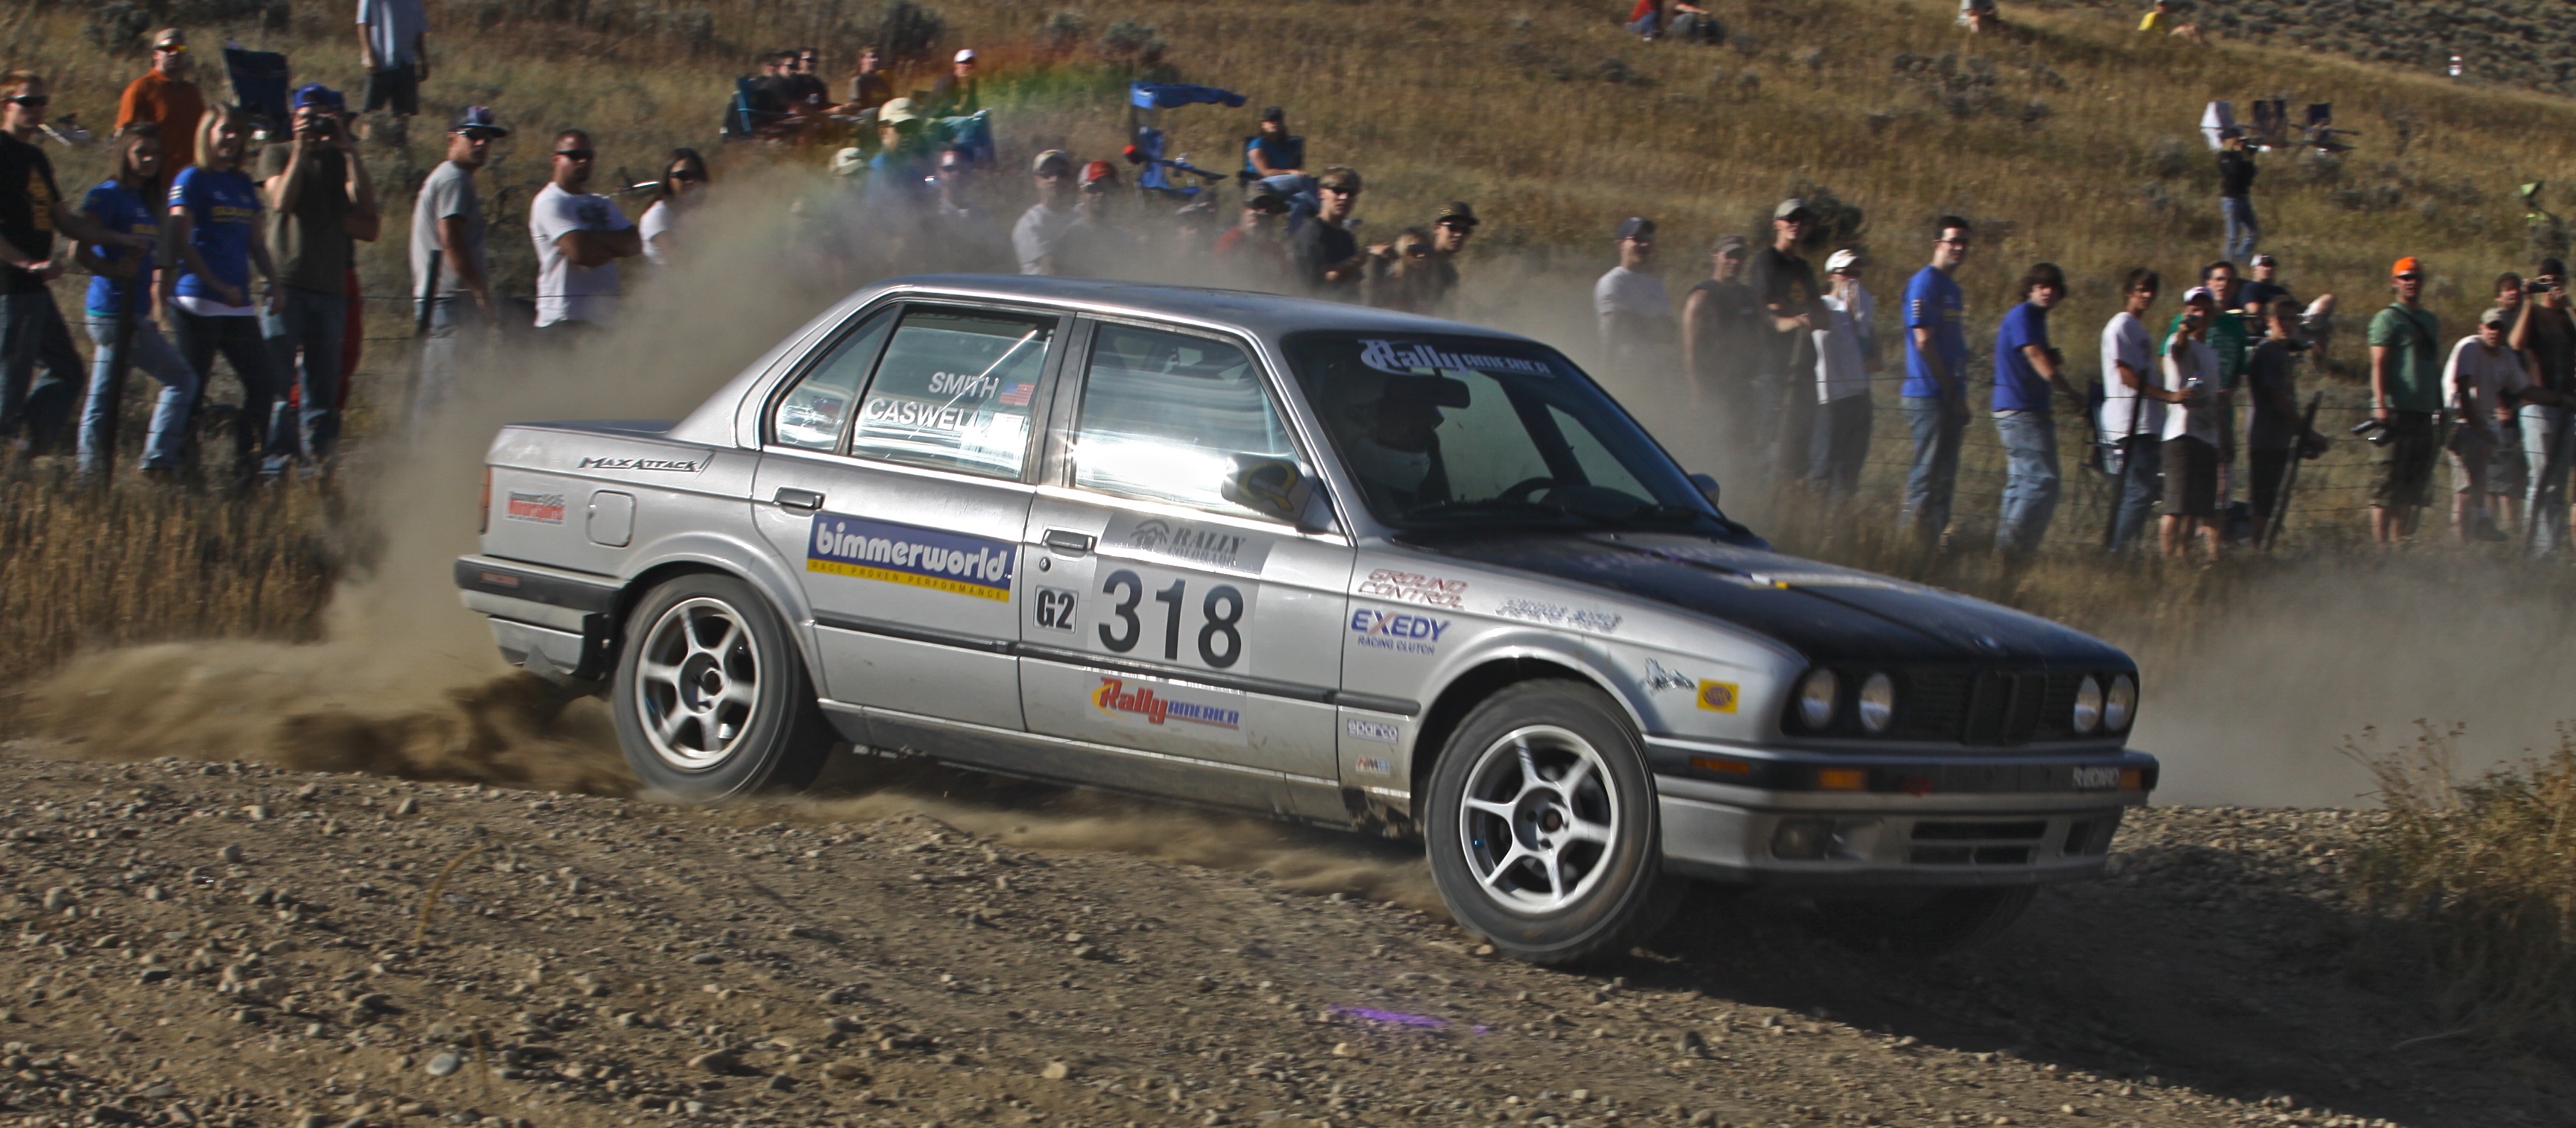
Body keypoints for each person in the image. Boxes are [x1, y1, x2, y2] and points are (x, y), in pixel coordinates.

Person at [3, 72, 145, 454]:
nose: (37, 110)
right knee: (10, 381)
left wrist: (118, 238)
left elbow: (66, 221)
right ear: (5, 106)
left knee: (66, 370)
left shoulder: (36, 157)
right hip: (10, 287)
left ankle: (22, 449)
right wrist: (26, 264)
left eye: (42, 103)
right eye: (27, 102)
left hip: (34, 289)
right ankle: (9, 454)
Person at [257, 84, 377, 470]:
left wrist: (347, 147)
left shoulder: (340, 160)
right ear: (294, 119)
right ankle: (276, 464)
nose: (318, 125)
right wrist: (299, 148)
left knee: (323, 385)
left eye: (325, 117)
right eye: (310, 116)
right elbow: (281, 200)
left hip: (329, 287)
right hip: (287, 281)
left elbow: (366, 207)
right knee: (278, 382)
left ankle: (319, 468)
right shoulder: (275, 153)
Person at [164, 102, 287, 476]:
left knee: (263, 384)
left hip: (237, 306)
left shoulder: (241, 185)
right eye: (224, 130)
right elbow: (181, 242)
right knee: (192, 390)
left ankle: (246, 466)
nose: (232, 138)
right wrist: (216, 283)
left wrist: (274, 282)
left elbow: (257, 243)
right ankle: (184, 471)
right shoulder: (191, 179)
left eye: (238, 131)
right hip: (197, 301)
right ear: (207, 133)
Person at [71, 123, 194, 476]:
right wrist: (110, 266)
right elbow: (78, 245)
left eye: (155, 154)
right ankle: (153, 463)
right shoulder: (108, 194)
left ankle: (93, 474)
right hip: (111, 310)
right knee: (180, 378)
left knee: (106, 395)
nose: (149, 160)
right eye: (141, 152)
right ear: (125, 153)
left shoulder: (152, 201)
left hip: (135, 312)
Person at [410, 106, 502, 429]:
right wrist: (480, 291)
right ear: (452, 138)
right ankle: (436, 461)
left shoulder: (447, 177)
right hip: (452, 301)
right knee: (453, 395)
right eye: (473, 135)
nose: (481, 144)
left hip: (439, 300)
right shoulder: (454, 179)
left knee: (435, 394)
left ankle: (419, 462)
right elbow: (451, 239)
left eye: (487, 138)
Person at [2442, 307, 2550, 542]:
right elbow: (2461, 393)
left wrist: (2559, 400)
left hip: (2482, 425)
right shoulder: (2469, 348)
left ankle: (2478, 526)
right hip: (2458, 421)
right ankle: (2461, 544)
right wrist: (2480, 428)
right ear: (2481, 327)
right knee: (2466, 487)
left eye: (2500, 328)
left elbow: (2524, 388)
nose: (2495, 332)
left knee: (2477, 481)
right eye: (2491, 326)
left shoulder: (2505, 356)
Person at [1991, 262, 2078, 555]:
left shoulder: (2035, 319)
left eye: (2053, 288)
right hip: (2021, 409)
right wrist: (2066, 390)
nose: (2048, 292)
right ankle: (2015, 551)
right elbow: (2034, 354)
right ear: (2030, 288)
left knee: (2021, 482)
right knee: (2041, 481)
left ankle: (2006, 551)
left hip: (2021, 407)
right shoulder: (2024, 315)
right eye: (2042, 286)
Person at [1899, 216, 1972, 547]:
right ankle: (1907, 542)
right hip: (1929, 393)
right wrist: (1948, 389)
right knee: (1925, 475)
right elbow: (1924, 341)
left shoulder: (1953, 289)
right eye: (1952, 241)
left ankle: (1931, 543)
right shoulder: (1925, 283)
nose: (1958, 248)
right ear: (1937, 243)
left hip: (1948, 393)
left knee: (1943, 476)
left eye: (1963, 243)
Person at [528, 129, 640, 333]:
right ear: (556, 158)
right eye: (575, 156)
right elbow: (582, 253)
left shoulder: (602, 203)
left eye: (588, 156)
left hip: (604, 320)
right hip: (564, 319)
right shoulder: (550, 201)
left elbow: (634, 243)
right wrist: (613, 246)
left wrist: (591, 236)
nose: (583, 161)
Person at [2366, 257, 2443, 543]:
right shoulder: (2388, 319)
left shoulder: (2430, 321)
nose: (2412, 282)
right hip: (2396, 410)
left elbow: (2433, 365)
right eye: (2406, 277)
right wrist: (2381, 403)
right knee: (2386, 483)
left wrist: (2440, 404)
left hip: (2422, 410)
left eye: (2417, 277)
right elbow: (2379, 362)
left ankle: (2400, 545)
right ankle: (2380, 548)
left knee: (2412, 484)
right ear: (2395, 282)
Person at [2242, 297, 2330, 544]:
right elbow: (2279, 399)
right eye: (2282, 318)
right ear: (2269, 321)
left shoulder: (2282, 353)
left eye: (2293, 319)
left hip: (2278, 437)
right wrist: (2306, 433)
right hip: (2265, 437)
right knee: (2263, 498)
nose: (2288, 324)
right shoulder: (2268, 352)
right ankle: (2257, 546)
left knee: (2272, 497)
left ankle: (2263, 545)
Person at [1748, 199, 1822, 477]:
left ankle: (1789, 498)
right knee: (1771, 437)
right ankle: (1761, 496)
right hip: (1772, 365)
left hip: (1802, 366)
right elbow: (1769, 307)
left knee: (1799, 439)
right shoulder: (1766, 262)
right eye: (1791, 219)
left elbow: (1820, 314)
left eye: (1803, 221)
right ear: (1777, 223)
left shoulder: (1803, 267)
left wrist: (1795, 312)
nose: (1797, 225)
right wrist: (1800, 316)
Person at [2100, 268, 2167, 550]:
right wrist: (2168, 396)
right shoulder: (2121, 326)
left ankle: (2126, 549)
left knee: (2143, 491)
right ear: (2129, 292)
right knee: (2139, 490)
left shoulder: (2140, 331)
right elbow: (2125, 375)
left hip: (2146, 422)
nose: (2147, 295)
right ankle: (2119, 551)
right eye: (2141, 289)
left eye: (2151, 290)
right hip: (2130, 422)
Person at [2513, 258, 2576, 552]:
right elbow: (2517, 343)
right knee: (2539, 479)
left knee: (2559, 482)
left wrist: (2570, 305)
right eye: (2545, 280)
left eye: (2556, 280)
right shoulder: (2534, 313)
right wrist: (2527, 302)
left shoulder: (2568, 318)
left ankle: (2547, 550)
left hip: (2567, 406)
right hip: (2537, 404)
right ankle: (2532, 549)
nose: (2551, 286)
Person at [2160, 289, 2225, 561]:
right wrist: (2184, 330)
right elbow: (2178, 349)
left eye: (2206, 310)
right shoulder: (2177, 341)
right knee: (2175, 506)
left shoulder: (2211, 354)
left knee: (2199, 507)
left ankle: (2187, 559)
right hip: (2182, 434)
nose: (2200, 314)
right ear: (2186, 312)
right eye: (2195, 309)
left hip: (2207, 436)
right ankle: (2166, 563)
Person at [1811, 253, 1874, 494]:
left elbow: (1876, 359)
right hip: (1830, 398)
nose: (1853, 280)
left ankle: (1838, 525)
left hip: (1859, 396)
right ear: (1832, 276)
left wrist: (1859, 321)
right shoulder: (1824, 306)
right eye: (1847, 273)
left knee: (1849, 471)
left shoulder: (1863, 309)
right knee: (1823, 466)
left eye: (1857, 274)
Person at [1682, 233, 1758, 420]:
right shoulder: (1702, 296)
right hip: (1713, 387)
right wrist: (1696, 390)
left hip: (1743, 386)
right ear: (1715, 256)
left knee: (1743, 445)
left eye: (1739, 256)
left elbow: (1760, 335)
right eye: (1729, 255)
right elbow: (1691, 349)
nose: (1735, 261)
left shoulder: (1748, 295)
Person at [116, 28, 205, 171]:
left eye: (180, 48)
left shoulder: (192, 92)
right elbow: (123, 136)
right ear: (156, 54)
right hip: (155, 179)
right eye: (168, 48)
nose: (175, 52)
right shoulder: (141, 88)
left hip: (191, 178)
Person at [1594, 217, 1672, 371]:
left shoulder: (1656, 287)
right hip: (1621, 369)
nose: (1645, 244)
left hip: (1652, 373)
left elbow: (1669, 333)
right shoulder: (1612, 282)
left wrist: (1635, 321)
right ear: (1620, 244)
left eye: (1649, 239)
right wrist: (1654, 325)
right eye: (1638, 239)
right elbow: (1619, 328)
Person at [2485, 272, 2530, 532]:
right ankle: (2492, 530)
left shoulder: (2525, 319)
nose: (2513, 293)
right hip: (2500, 412)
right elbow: (2489, 365)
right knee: (2497, 477)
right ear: (2498, 296)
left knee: (2514, 477)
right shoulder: (2495, 321)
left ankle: (2511, 532)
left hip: (2523, 408)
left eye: (2517, 289)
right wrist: (2500, 403)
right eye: (2507, 290)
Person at [924, 145, 1007, 271]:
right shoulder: (930, 221)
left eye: (961, 168)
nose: (956, 174)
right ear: (939, 172)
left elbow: (1001, 257)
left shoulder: (983, 217)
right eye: (949, 168)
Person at [1289, 166, 1367, 298]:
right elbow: (1327, 278)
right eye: (1338, 190)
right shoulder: (1311, 232)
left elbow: (1353, 285)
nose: (1344, 197)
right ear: (1321, 193)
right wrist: (1366, 255)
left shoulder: (1346, 237)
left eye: (1351, 193)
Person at [356, 0, 429, 122]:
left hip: (406, 62)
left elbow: (419, 30)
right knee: (371, 113)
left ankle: (398, 140)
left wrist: (423, 60)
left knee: (403, 115)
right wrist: (368, 55)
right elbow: (363, 23)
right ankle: (369, 140)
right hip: (381, 62)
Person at [637, 148, 707, 267]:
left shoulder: (700, 212)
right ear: (668, 178)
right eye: (683, 175)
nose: (691, 181)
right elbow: (680, 260)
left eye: (696, 175)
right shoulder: (658, 215)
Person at [1014, 150, 1079, 275]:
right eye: (1048, 174)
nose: (1054, 179)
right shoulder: (1031, 222)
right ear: (1036, 180)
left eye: (1062, 173)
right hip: (1043, 292)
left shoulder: (1077, 217)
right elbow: (1051, 269)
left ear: (1070, 179)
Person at [1212, 188, 1291, 287]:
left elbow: (1286, 282)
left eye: (1269, 208)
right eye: (1257, 206)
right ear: (1242, 209)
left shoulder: (1275, 249)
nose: (1263, 212)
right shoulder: (1229, 242)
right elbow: (1223, 278)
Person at [1366, 229, 1442, 315]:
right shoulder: (1389, 283)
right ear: (1402, 251)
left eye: (1426, 250)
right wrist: (1371, 251)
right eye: (1415, 250)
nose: (1422, 255)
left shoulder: (1428, 285)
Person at [1427, 202, 1476, 313]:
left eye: (1465, 230)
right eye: (1453, 227)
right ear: (1436, 228)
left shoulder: (1450, 272)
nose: (1459, 234)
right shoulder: (1420, 258)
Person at [2217, 127, 2258, 261]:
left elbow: (2251, 173)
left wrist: (2249, 157)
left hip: (2243, 197)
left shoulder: (2240, 156)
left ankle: (2241, 259)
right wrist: (2240, 154)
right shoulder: (2224, 156)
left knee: (2253, 232)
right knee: (2233, 236)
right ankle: (2228, 263)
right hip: (2231, 199)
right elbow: (2233, 170)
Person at [1244, 107, 1304, 180]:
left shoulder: (1288, 145)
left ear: (1282, 123)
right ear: (1263, 124)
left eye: (1277, 119)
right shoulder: (1257, 145)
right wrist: (1289, 172)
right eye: (1270, 119)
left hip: (1286, 181)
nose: (1274, 122)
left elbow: (1295, 168)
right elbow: (1266, 173)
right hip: (1260, 184)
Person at [926, 49, 981, 119]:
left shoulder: (972, 82)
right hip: (937, 118)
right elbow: (949, 106)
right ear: (956, 64)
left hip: (956, 117)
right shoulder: (947, 81)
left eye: (971, 62)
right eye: (964, 62)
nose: (968, 66)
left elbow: (973, 104)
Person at [845, 46, 894, 116]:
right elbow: (857, 107)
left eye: (877, 58)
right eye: (871, 57)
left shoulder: (882, 81)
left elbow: (890, 102)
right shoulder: (858, 81)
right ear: (862, 60)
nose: (875, 60)